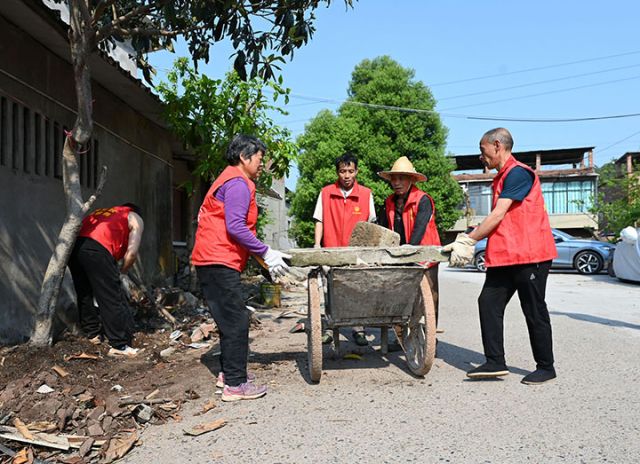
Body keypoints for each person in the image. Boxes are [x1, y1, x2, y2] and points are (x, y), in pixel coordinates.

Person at [444, 128, 558, 385]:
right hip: (507, 256)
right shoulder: (503, 177)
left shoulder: (518, 173)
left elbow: (498, 215)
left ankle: (546, 366)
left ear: (497, 146)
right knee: (488, 303)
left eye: (483, 152)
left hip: (530, 255)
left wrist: (468, 239)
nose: (481, 158)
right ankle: (495, 361)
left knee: (534, 310)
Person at [192, 134, 290, 402]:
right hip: (218, 260)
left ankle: (228, 374)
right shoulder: (237, 183)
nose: (262, 165)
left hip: (212, 260)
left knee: (228, 320)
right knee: (236, 320)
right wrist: (265, 251)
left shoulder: (228, 179)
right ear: (244, 157)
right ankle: (235, 385)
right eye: (259, 159)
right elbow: (235, 227)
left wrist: (263, 260)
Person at [313, 152, 376, 346]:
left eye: (350, 171)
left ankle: (359, 329)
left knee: (358, 290)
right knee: (330, 290)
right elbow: (319, 220)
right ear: (337, 172)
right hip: (331, 249)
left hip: (356, 253)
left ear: (356, 171)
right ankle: (330, 328)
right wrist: (317, 245)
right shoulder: (325, 193)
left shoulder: (366, 194)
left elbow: (371, 224)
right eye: (342, 171)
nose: (346, 175)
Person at [68, 203, 144, 358]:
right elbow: (132, 253)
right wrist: (123, 271)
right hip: (98, 250)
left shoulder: (102, 212)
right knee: (110, 296)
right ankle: (119, 345)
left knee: (84, 293)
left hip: (75, 248)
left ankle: (92, 334)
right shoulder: (134, 216)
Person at [377, 156, 442, 336]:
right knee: (399, 297)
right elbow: (385, 230)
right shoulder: (389, 201)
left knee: (430, 297)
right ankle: (400, 336)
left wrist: (406, 255)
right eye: (394, 179)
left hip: (425, 254)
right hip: (400, 255)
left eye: (402, 178)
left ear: (412, 179)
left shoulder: (423, 200)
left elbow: (418, 233)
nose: (396, 183)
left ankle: (430, 338)